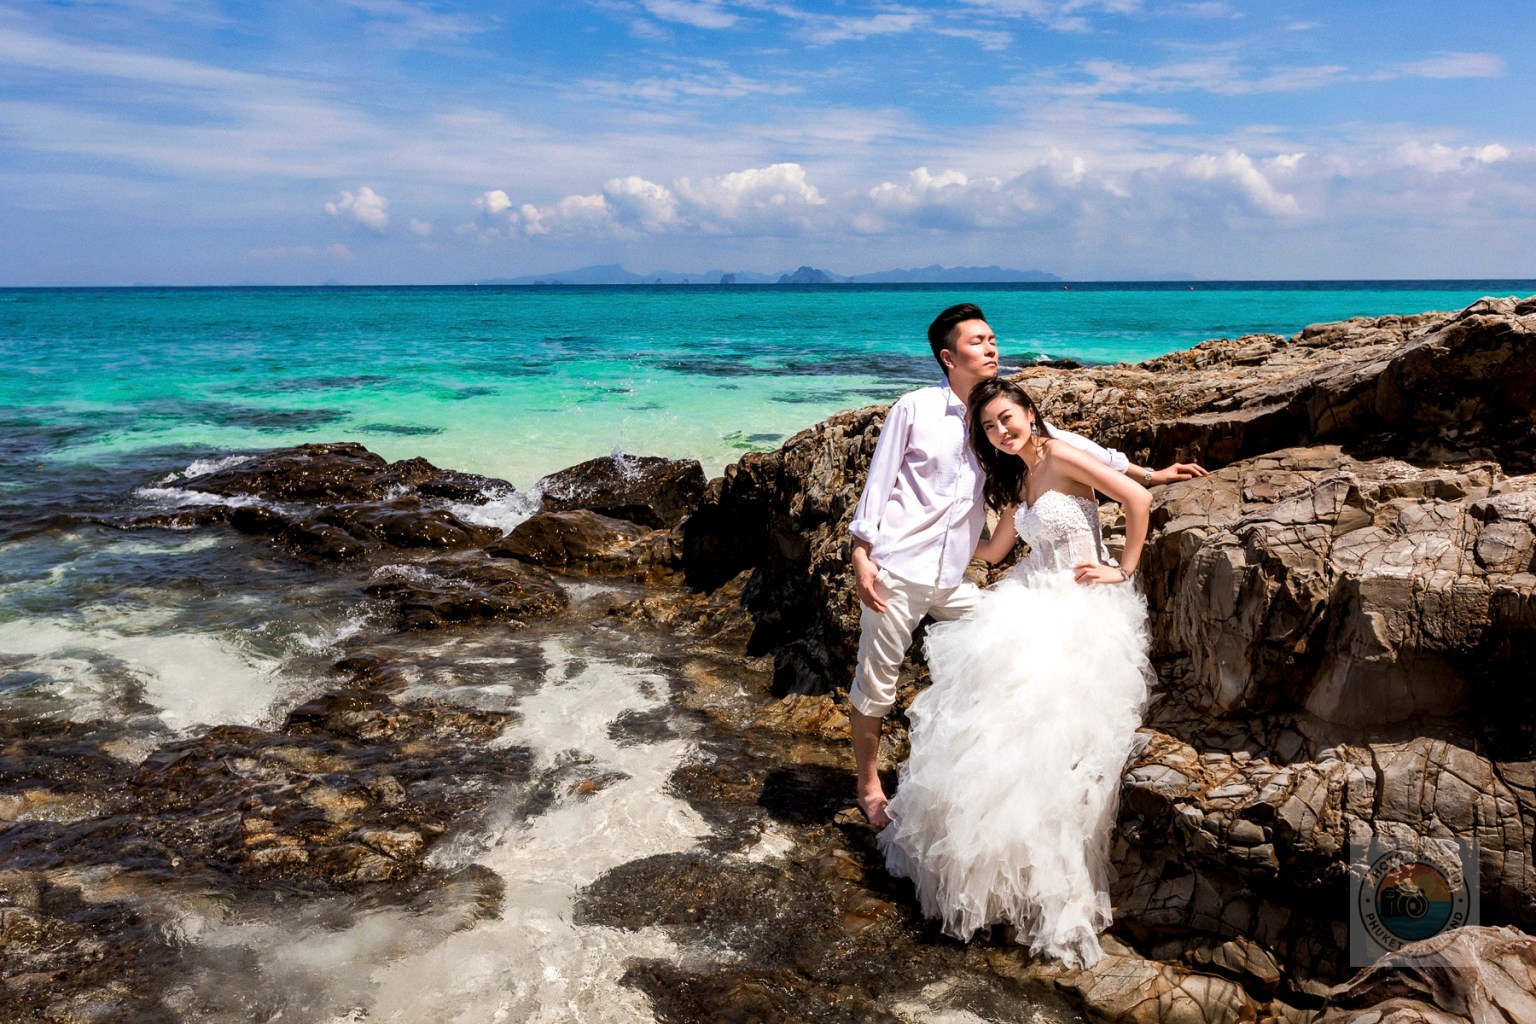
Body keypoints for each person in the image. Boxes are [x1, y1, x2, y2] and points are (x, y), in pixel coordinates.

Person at [848, 303, 1203, 829]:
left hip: (956, 578)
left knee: (998, 664)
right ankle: (869, 785)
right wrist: (861, 551)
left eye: (993, 338)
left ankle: (1006, 789)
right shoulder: (916, 408)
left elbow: (1077, 451)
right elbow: (879, 482)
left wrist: (1148, 472)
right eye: (977, 341)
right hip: (899, 570)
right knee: (876, 682)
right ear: (948, 357)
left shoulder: (1003, 415)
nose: (991, 347)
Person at [877, 377, 1153, 968]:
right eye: (990, 427)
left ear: (1030, 412)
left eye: (1008, 418)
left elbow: (1137, 499)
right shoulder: (1018, 482)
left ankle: (1047, 882)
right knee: (990, 727)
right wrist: (907, 538)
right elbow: (993, 553)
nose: (1002, 431)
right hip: (1031, 594)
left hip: (1081, 602)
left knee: (1047, 730)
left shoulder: (1062, 455)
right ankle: (993, 873)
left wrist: (1123, 568)